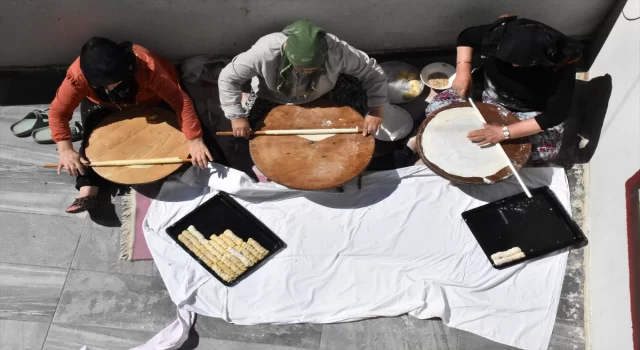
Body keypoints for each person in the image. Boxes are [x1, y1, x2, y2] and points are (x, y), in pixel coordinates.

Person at [49, 37, 225, 213]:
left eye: (114, 82)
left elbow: (179, 101)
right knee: (92, 136)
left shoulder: (148, 66)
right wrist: (65, 149)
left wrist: (194, 139)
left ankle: (215, 172)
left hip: (153, 100)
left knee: (194, 132)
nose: (110, 88)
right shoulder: (77, 76)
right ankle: (88, 187)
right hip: (109, 106)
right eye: (104, 85)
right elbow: (58, 112)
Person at [427, 16, 583, 165]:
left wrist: (503, 133)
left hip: (527, 111)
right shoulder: (502, 34)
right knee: (435, 111)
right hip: (484, 91)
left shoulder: (561, 66)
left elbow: (554, 115)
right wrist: (463, 71)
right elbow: (466, 37)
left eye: (518, 63)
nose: (512, 66)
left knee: (543, 152)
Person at [218, 19, 389, 138]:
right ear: (286, 51)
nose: (306, 73)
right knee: (254, 136)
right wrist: (236, 117)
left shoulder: (338, 50)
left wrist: (376, 111)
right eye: (300, 68)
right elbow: (228, 78)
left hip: (321, 92)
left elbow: (373, 73)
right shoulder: (264, 52)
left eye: (313, 69)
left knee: (355, 120)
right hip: (271, 96)